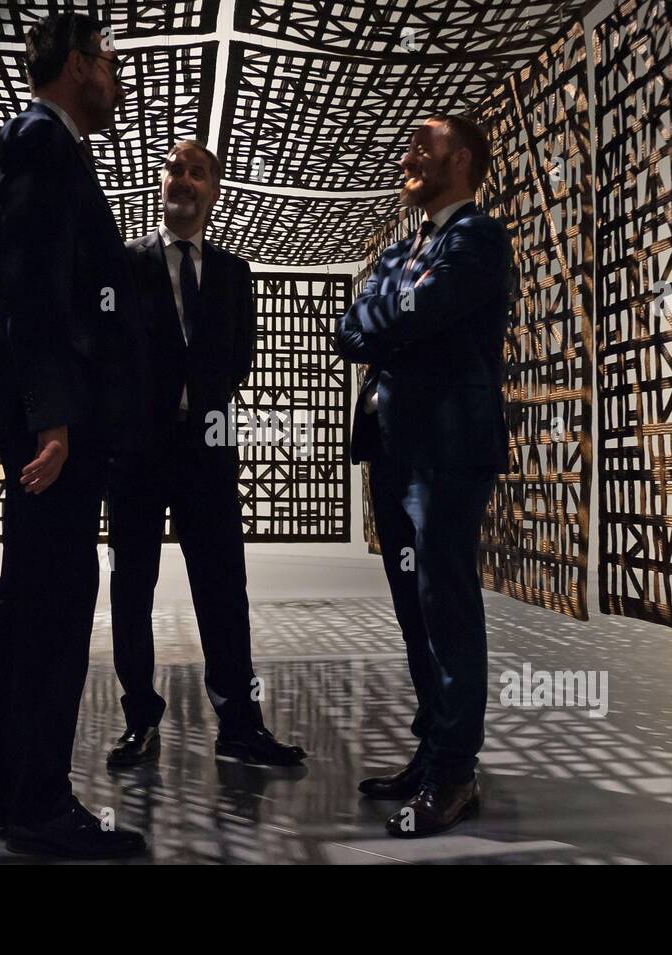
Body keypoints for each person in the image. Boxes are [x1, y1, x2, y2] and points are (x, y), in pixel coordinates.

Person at [0, 12, 150, 859]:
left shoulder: (36, 142)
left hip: (49, 416)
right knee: (58, 605)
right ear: (76, 65)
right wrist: (56, 420)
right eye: (107, 60)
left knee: (25, 599)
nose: (115, 76)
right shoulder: (41, 144)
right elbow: (34, 295)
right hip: (53, 427)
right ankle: (38, 803)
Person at [334, 114, 511, 838]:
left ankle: (455, 772)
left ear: (461, 160)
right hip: (394, 446)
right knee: (414, 608)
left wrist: (388, 314)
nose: (406, 156)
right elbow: (349, 332)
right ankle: (433, 749)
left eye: (421, 147)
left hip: (448, 446)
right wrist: (391, 313)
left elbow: (423, 309)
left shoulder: (477, 238)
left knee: (446, 604)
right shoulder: (405, 248)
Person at [105, 140, 307, 768]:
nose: (184, 180)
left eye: (198, 173)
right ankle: (140, 715)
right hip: (138, 449)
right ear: (160, 183)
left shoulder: (231, 273)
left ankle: (240, 724)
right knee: (132, 587)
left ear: (213, 192)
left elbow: (237, 357)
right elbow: (108, 350)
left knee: (223, 587)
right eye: (175, 170)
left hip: (209, 448)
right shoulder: (124, 263)